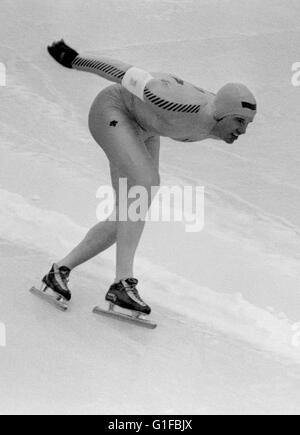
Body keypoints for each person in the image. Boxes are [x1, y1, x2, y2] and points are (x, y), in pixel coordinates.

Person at [42, 39, 257, 315]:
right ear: (224, 113)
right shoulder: (177, 99)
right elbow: (125, 73)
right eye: (239, 121)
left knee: (129, 213)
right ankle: (122, 284)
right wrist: (75, 60)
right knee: (146, 183)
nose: (243, 131)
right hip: (112, 111)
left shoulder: (218, 118)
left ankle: (59, 271)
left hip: (144, 129)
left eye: (247, 124)